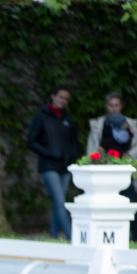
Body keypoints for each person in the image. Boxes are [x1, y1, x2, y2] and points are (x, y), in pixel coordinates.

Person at [87, 91, 137, 242]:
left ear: (121, 106)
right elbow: (92, 147)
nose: (113, 108)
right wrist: (97, 158)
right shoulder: (99, 123)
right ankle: (106, 237)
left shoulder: (130, 124)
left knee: (130, 204)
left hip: (125, 170)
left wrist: (129, 155)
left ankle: (136, 238)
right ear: (106, 106)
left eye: (116, 105)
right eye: (111, 105)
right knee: (106, 205)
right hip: (105, 171)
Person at [27, 85, 79, 240]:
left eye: (66, 99)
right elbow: (31, 141)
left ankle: (53, 236)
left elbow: (74, 142)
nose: (63, 101)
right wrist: (48, 153)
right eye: (61, 97)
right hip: (49, 165)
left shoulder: (68, 119)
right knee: (60, 201)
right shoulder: (41, 116)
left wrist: (71, 156)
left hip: (65, 166)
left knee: (58, 202)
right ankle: (72, 238)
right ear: (53, 96)